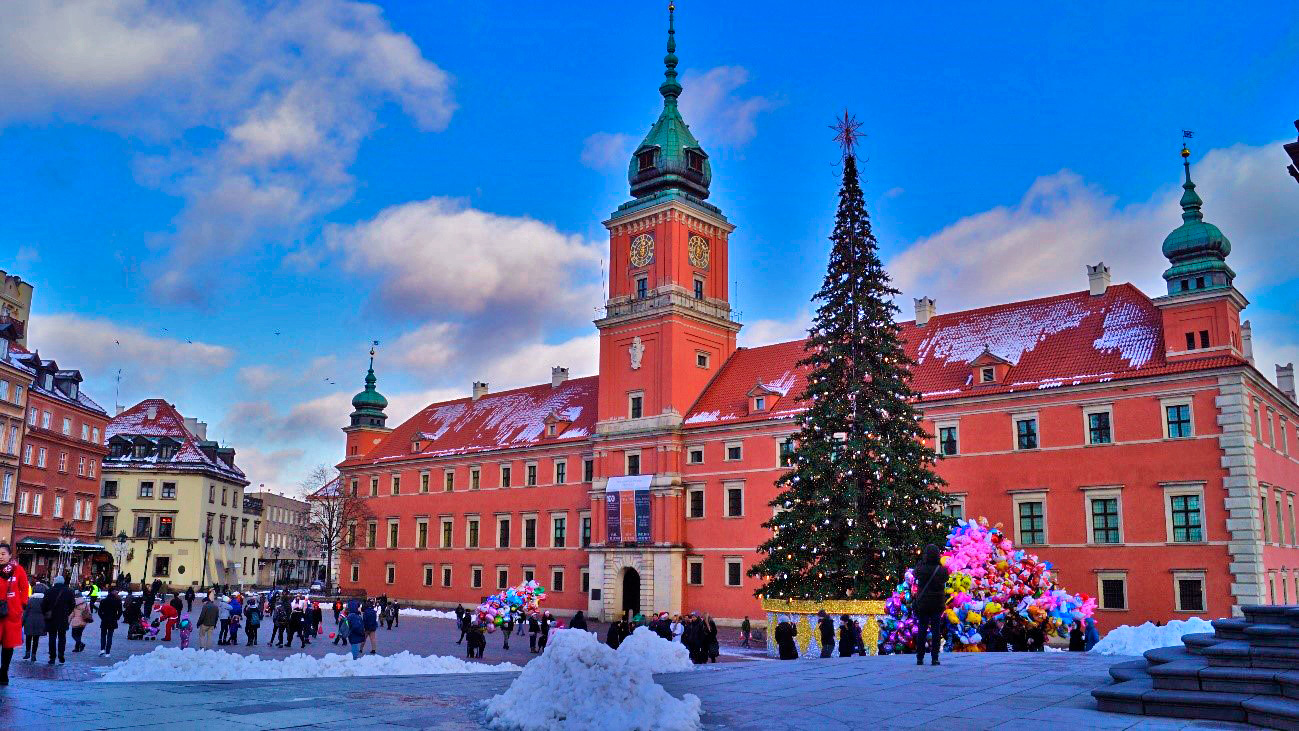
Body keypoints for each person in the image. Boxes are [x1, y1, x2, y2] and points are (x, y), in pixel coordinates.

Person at [911, 543, 950, 666]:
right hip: (937, 603)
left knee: (922, 629)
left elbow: (914, 574)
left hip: (923, 603)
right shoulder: (942, 570)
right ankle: (935, 658)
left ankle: (920, 657)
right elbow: (946, 579)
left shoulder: (921, 569)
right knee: (936, 631)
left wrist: (921, 563)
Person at [42, 574, 75, 664]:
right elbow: (72, 604)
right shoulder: (69, 591)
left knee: (52, 638)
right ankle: (61, 655)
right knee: (62, 637)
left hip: (51, 618)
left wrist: (46, 613)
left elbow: (43, 604)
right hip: (63, 618)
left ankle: (52, 657)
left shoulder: (49, 591)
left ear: (55, 582)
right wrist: (67, 612)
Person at [22, 582, 46, 662]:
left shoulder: (30, 600)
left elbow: (26, 612)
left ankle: (27, 652)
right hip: (40, 621)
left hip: (29, 621)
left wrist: (22, 622)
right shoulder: (44, 600)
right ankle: (33, 655)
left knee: (28, 638)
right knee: (36, 639)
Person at [97, 588, 123, 657]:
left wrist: (102, 617)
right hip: (112, 620)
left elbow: (99, 611)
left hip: (104, 620)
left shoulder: (103, 601)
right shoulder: (117, 601)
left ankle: (102, 649)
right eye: (115, 591)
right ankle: (108, 652)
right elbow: (120, 612)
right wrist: (117, 618)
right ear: (112, 592)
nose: (116, 593)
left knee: (103, 635)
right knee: (110, 636)